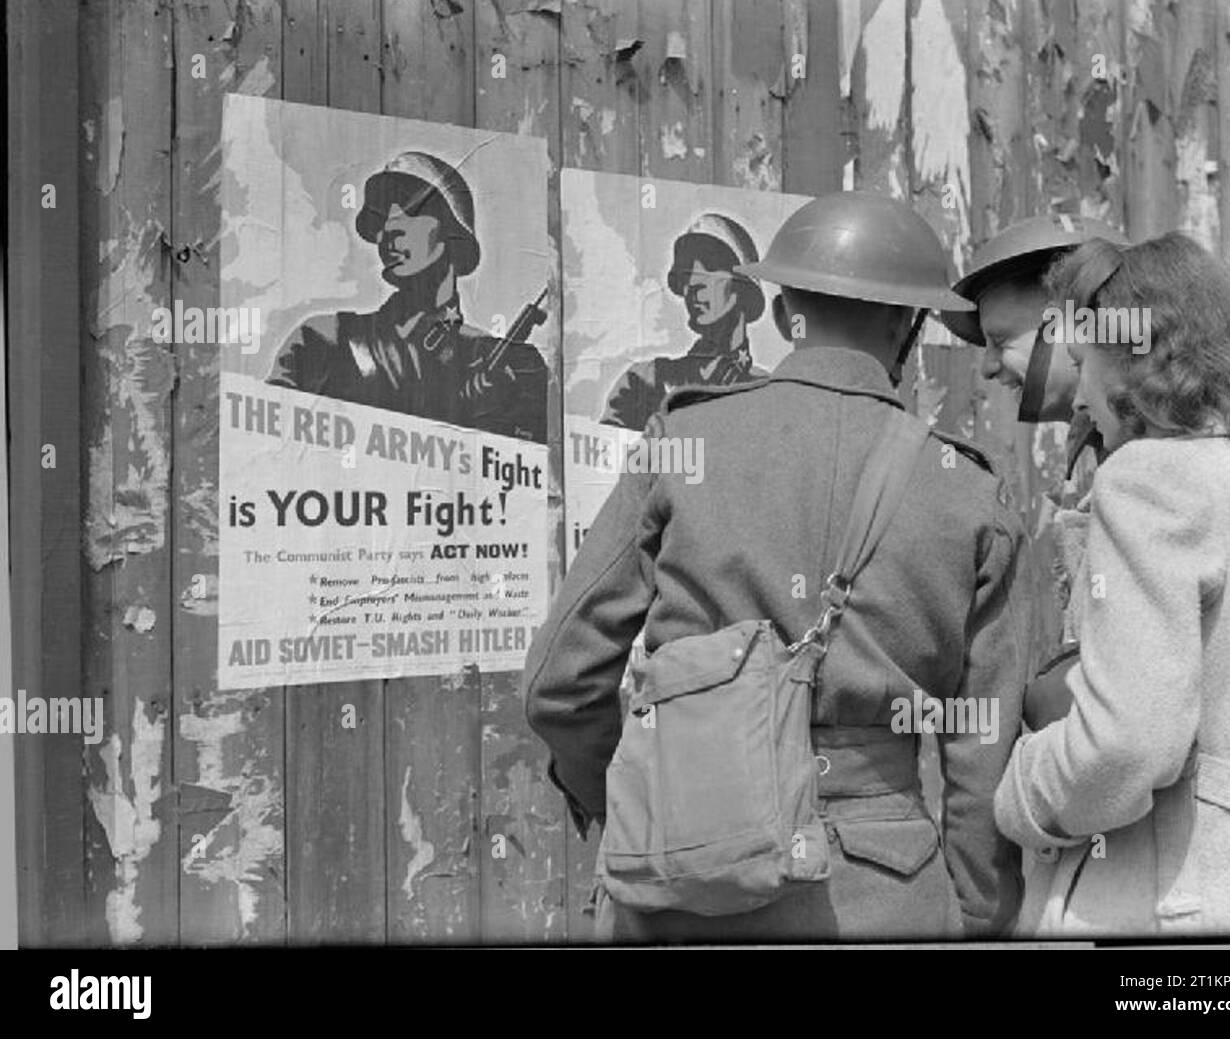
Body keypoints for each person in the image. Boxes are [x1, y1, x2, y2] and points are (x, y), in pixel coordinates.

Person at [523, 191, 1033, 941]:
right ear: (910, 324)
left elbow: (559, 683)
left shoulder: (683, 440)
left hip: (682, 885)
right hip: (883, 895)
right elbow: (983, 746)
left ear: (785, 303)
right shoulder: (969, 491)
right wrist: (979, 915)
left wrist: (647, 800)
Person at [994, 233, 1230, 937]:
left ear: (1133, 359)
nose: (1079, 393)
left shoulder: (1148, 478)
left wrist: (1019, 789)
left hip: (1160, 908)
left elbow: (1125, 744)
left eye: (1080, 359)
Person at [940, 215, 1127, 730]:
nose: (989, 367)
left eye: (1002, 341)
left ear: (1075, 324)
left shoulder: (1149, 456)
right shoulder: (1089, 446)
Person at [267, 151, 549, 442]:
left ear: (452, 232)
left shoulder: (512, 364)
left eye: (410, 208)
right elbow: (267, 448)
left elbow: (537, 471)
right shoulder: (326, 340)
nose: (388, 229)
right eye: (382, 218)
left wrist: (496, 413)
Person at [600, 213, 768, 432]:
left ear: (743, 286)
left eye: (710, 264)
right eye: (686, 273)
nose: (693, 283)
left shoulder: (768, 390)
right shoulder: (645, 381)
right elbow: (610, 458)